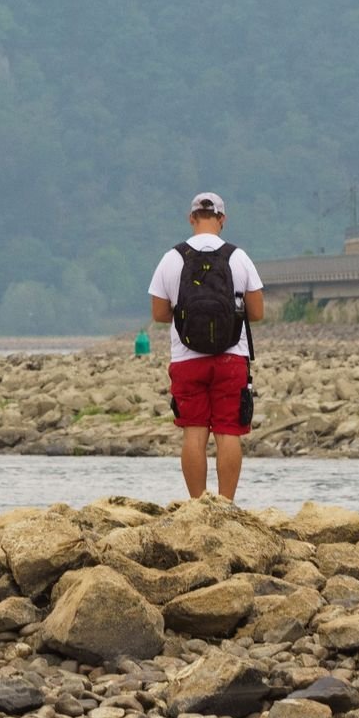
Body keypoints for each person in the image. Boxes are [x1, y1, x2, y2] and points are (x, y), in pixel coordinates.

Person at [148, 190, 264, 500]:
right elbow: (257, 312)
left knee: (194, 433)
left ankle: (197, 504)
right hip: (231, 358)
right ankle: (225, 505)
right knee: (229, 432)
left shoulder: (172, 258)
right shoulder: (238, 257)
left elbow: (159, 314)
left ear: (191, 218)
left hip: (187, 359)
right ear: (222, 219)